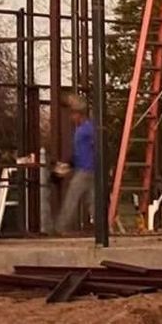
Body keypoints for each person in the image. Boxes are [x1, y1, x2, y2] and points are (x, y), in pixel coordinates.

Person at [53, 91, 96, 235]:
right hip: (86, 168)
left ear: (80, 114)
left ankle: (61, 227)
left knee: (72, 197)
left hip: (86, 169)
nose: (71, 117)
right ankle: (102, 227)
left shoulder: (87, 129)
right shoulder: (81, 129)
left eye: (73, 114)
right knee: (93, 200)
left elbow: (94, 147)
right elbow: (79, 152)